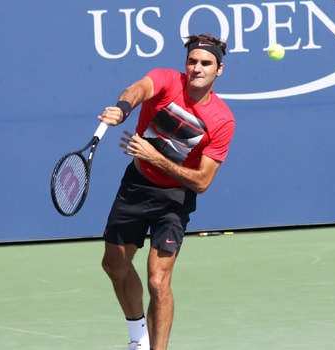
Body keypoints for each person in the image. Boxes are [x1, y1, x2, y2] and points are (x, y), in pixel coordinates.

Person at [97, 34, 235, 350]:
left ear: (219, 70)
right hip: (136, 186)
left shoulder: (222, 120)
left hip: (175, 199)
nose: (197, 68)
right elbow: (138, 89)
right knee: (114, 265)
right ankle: (138, 339)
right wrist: (122, 109)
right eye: (192, 61)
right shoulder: (165, 80)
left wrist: (156, 157)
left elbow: (201, 182)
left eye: (206, 63)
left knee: (158, 282)